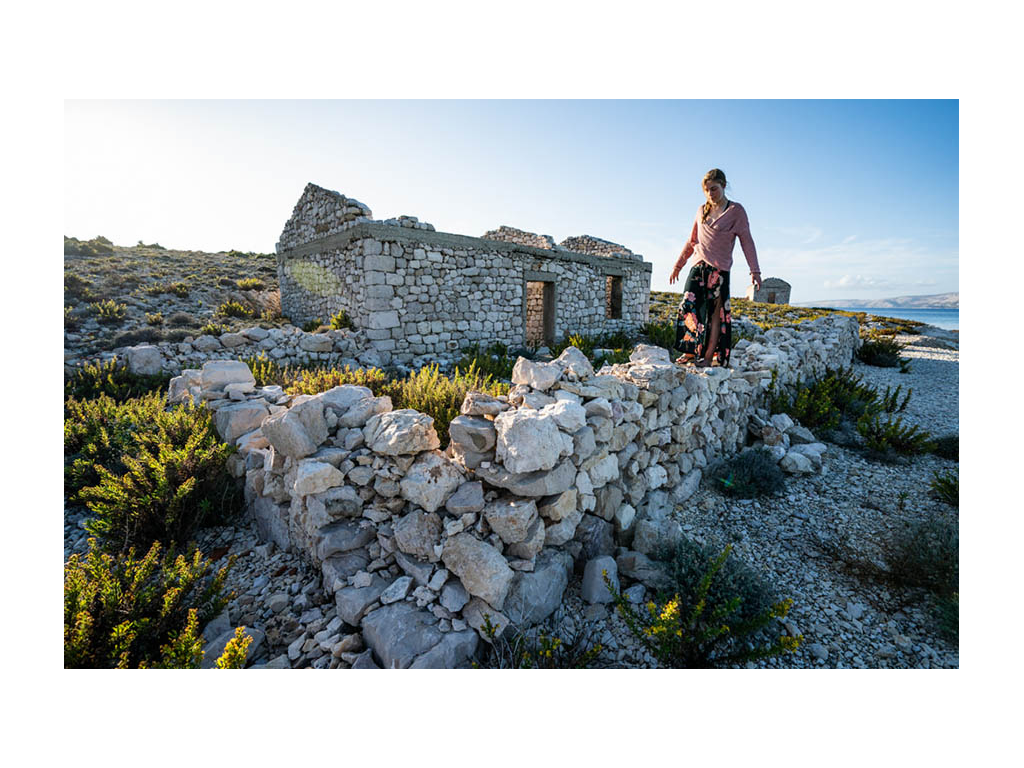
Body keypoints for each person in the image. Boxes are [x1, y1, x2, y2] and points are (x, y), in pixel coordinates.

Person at [669, 168, 762, 368]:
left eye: (714, 189)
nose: (710, 194)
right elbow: (692, 241)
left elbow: (747, 241)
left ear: (723, 186)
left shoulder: (736, 211)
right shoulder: (701, 210)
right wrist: (678, 265)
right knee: (689, 307)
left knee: (714, 314)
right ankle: (690, 351)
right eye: (707, 190)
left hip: (719, 271)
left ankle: (709, 355)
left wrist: (755, 270)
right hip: (698, 265)